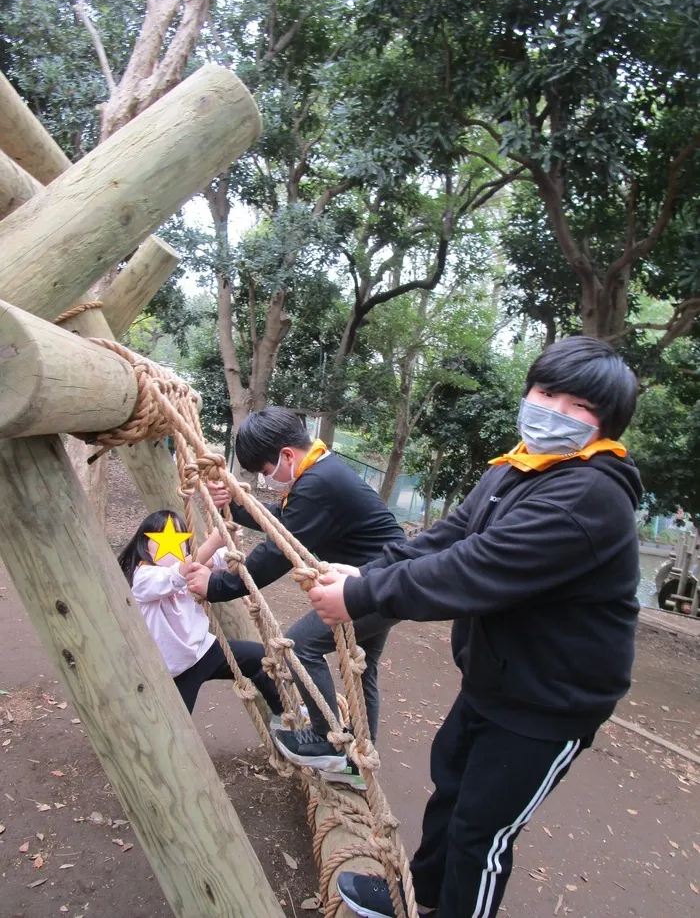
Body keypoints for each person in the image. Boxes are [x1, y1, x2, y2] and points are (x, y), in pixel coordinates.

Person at [306, 336, 641, 918]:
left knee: (481, 835)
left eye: (578, 407)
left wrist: (361, 595)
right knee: (451, 794)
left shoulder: (587, 494)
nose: (554, 412)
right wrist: (370, 569)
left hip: (550, 702)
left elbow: (476, 569)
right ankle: (416, 896)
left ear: (604, 426)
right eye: (546, 392)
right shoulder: (520, 469)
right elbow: (453, 535)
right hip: (497, 677)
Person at [184, 407, 406, 789]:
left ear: (287, 455)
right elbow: (284, 522)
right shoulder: (320, 472)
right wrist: (236, 505)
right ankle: (356, 765)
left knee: (300, 645)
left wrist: (218, 586)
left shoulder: (318, 483)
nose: (266, 480)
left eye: (265, 469)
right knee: (362, 669)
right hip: (385, 584)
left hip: (372, 588)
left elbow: (276, 552)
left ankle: (326, 743)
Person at [118, 510, 283, 720]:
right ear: (143, 544)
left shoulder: (191, 565)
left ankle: (283, 717)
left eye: (179, 538)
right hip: (173, 668)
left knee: (261, 658)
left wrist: (230, 536)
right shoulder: (143, 577)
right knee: (175, 726)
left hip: (204, 651)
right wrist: (213, 542)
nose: (171, 546)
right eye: (161, 539)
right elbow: (176, 574)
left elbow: (223, 559)